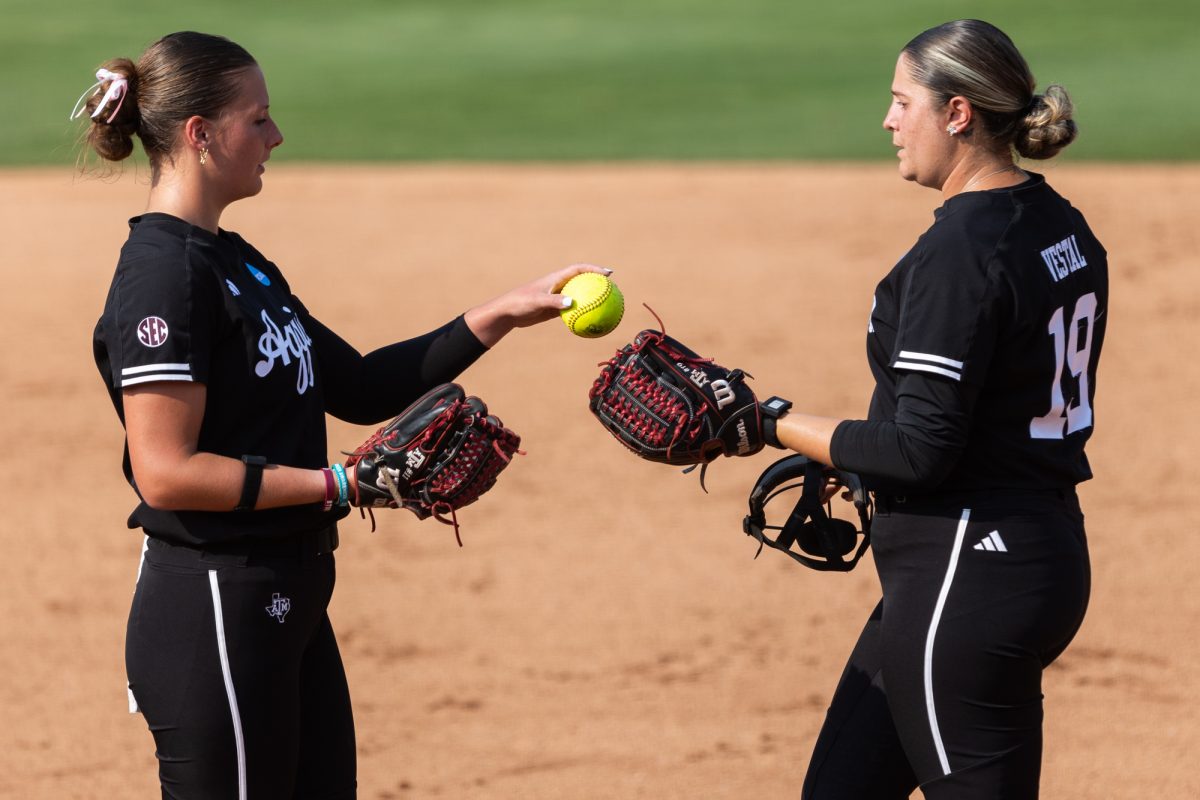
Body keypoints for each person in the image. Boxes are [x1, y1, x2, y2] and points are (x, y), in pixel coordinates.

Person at [77, 31, 605, 799]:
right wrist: (341, 486)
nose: (276, 135)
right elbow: (165, 472)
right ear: (199, 134)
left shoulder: (238, 263)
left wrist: (499, 314)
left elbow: (356, 385)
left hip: (284, 594)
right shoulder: (164, 277)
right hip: (217, 601)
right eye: (256, 119)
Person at [762, 20, 1107, 798]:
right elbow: (992, 401)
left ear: (957, 114)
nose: (888, 121)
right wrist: (850, 453)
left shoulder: (962, 252)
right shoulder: (1060, 226)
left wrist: (764, 419)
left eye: (900, 102)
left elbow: (919, 450)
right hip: (1021, 553)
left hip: (967, 575)